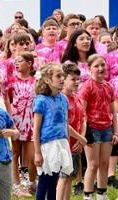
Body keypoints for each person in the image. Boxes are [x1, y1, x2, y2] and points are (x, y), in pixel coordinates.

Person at [33, 64, 86, 200]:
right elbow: (36, 129)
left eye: (63, 75)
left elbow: (65, 124)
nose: (62, 78)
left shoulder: (63, 99)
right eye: (58, 76)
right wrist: (38, 152)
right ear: (47, 80)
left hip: (61, 143)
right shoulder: (41, 100)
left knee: (54, 182)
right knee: (44, 181)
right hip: (47, 145)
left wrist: (67, 145)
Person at [80, 54, 118, 200]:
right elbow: (82, 112)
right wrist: (85, 132)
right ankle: (88, 194)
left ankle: (102, 193)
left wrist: (116, 131)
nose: (101, 68)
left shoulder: (109, 87)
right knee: (93, 164)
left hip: (107, 129)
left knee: (105, 163)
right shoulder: (87, 86)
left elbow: (113, 111)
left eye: (102, 65)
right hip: (92, 129)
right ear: (89, 68)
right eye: (96, 66)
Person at [8, 51, 37, 197]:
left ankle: (32, 183)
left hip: (31, 121)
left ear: (29, 63)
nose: (16, 64)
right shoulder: (11, 81)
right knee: (15, 153)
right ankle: (16, 184)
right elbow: (8, 100)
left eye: (20, 61)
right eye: (15, 61)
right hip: (16, 120)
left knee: (32, 155)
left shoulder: (35, 81)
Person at [57, 63, 86, 199]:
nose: (76, 82)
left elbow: (83, 120)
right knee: (63, 178)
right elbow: (64, 123)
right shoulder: (61, 99)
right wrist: (80, 138)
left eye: (78, 79)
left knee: (70, 178)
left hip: (76, 144)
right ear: (63, 79)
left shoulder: (77, 97)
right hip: (64, 144)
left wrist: (81, 139)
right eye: (73, 79)